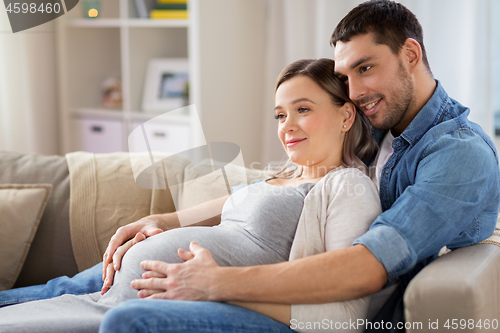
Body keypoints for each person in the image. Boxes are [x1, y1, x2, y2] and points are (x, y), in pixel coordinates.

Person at [98, 0, 500, 332]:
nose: (355, 92)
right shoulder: (377, 123)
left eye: (366, 68)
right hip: (264, 285)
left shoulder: (459, 154)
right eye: (345, 77)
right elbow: (281, 182)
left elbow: (370, 265)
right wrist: (167, 220)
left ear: (410, 54)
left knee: (127, 319)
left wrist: (216, 283)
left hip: (337, 315)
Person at [0, 58, 382, 333]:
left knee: (116, 320)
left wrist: (214, 288)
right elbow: (233, 207)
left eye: (303, 109)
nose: (288, 127)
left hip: (178, 306)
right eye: (280, 115)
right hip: (120, 292)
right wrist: (161, 221)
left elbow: (343, 319)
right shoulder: (281, 175)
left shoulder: (347, 187)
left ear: (346, 116)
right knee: (36, 299)